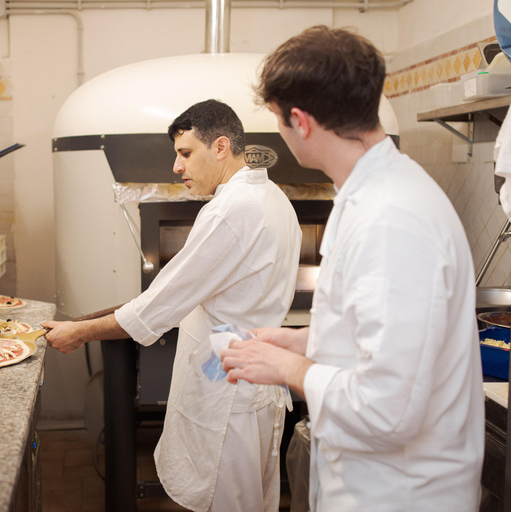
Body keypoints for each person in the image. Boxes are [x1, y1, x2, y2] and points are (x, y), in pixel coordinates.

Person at [220, 26, 484, 512]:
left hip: (401, 494)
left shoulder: (393, 218)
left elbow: (389, 409)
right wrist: (307, 340)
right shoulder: (368, 191)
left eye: (277, 120)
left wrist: (290, 368)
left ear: (299, 121)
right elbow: (381, 336)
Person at [41, 99, 301, 512]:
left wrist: (79, 333)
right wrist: (90, 317)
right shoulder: (272, 198)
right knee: (252, 499)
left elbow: (159, 306)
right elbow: (175, 289)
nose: (177, 167)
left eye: (185, 153)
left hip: (228, 391)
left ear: (219, 147)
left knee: (230, 503)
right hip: (255, 382)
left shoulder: (229, 212)